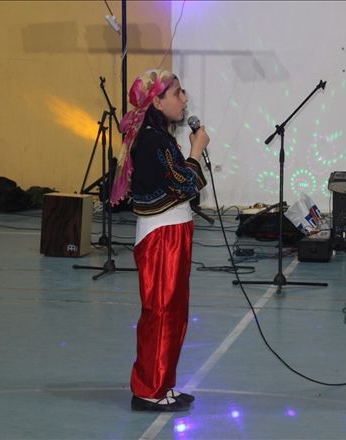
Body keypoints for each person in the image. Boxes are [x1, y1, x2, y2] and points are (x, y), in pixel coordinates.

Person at [110, 69, 209, 412]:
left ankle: (163, 383)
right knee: (162, 311)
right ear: (157, 101)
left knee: (175, 311)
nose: (184, 98)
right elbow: (185, 184)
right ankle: (149, 389)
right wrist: (197, 150)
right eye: (177, 93)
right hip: (162, 237)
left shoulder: (159, 137)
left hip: (174, 230)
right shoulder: (153, 141)